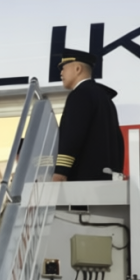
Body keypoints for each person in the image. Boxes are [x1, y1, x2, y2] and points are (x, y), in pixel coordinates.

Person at [52, 48, 124, 182]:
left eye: (63, 68)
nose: (61, 73)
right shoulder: (105, 98)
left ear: (77, 69)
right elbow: (117, 140)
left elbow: (72, 134)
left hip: (84, 178)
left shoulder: (80, 94)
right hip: (107, 177)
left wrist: (61, 170)